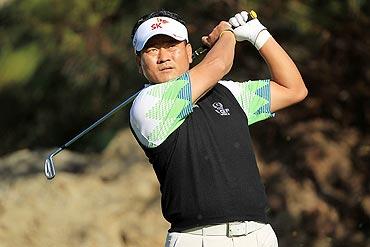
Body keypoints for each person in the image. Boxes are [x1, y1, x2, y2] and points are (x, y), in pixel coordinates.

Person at [129, 9, 307, 247]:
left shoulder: (229, 93)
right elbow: (220, 64)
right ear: (139, 63)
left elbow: (293, 89)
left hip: (258, 235)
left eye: (172, 46)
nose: (164, 57)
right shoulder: (148, 104)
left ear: (189, 52)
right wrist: (226, 34)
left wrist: (259, 36)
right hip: (197, 239)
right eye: (152, 50)